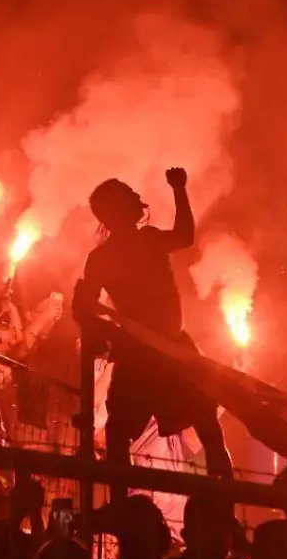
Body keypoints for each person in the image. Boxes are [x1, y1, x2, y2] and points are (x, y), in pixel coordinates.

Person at [73, 167, 233, 503]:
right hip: (148, 355)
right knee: (201, 428)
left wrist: (180, 189)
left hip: (166, 350)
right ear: (117, 210)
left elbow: (185, 236)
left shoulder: (123, 249)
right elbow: (85, 308)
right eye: (128, 195)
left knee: (206, 426)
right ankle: (123, 509)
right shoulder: (114, 254)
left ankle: (223, 513)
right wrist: (113, 336)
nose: (136, 197)